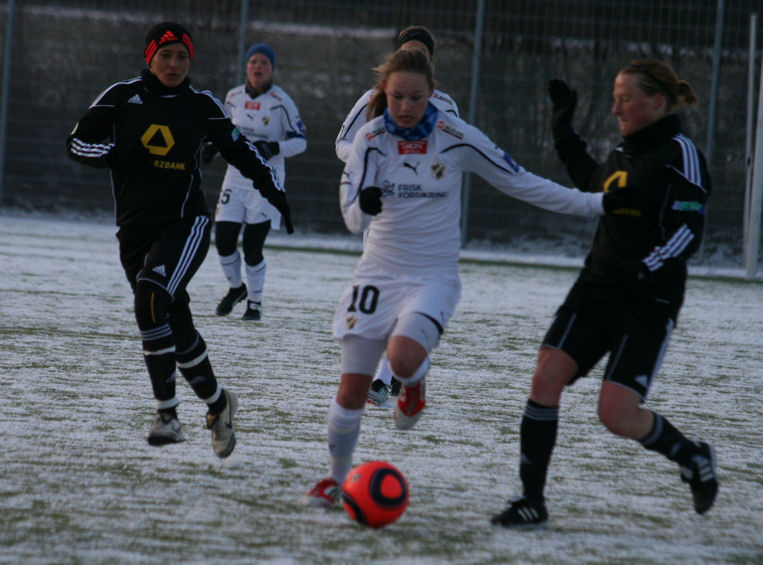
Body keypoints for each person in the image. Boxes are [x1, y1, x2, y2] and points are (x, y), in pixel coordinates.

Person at [301, 48, 630, 507]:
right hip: (376, 274)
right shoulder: (370, 140)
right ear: (384, 94)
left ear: (431, 94)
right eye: (396, 96)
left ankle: (413, 384)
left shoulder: (455, 136)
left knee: (400, 358)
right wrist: (364, 205)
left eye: (416, 97)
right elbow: (352, 218)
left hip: (431, 276)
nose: (405, 106)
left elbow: (522, 181)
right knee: (352, 388)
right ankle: (335, 480)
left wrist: (595, 204)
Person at [491, 59, 717, 528]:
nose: (615, 107)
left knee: (615, 414)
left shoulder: (681, 153)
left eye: (624, 97)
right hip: (595, 289)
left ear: (655, 102)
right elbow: (592, 184)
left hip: (648, 301)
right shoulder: (623, 153)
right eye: (614, 97)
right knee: (545, 378)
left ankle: (692, 456)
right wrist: (562, 129)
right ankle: (532, 501)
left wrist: (646, 269)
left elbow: (688, 233)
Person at [66, 22, 293, 457]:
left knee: (151, 298)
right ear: (150, 57)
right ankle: (219, 404)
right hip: (133, 231)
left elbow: (239, 150)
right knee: (173, 321)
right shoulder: (122, 97)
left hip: (185, 223)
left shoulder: (201, 105)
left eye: (182, 57)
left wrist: (275, 194)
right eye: (166, 55)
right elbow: (76, 143)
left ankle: (167, 415)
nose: (174, 64)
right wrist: (114, 155)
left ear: (190, 62)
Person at [335, 25, 459, 405]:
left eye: (421, 53)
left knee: (408, 299)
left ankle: (384, 379)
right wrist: (368, 163)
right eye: (408, 51)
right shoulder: (373, 99)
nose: (414, 57)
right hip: (382, 212)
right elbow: (343, 143)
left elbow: (459, 153)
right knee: (385, 293)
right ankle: (391, 375)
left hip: (422, 217)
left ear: (430, 61)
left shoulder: (446, 105)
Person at [208, 43, 307, 321]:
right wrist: (213, 147)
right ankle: (236, 288)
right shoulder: (233, 96)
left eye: (264, 62)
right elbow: (225, 131)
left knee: (252, 248)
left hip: (265, 183)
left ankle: (255, 303)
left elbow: (301, 141)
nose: (258, 67)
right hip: (235, 179)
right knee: (224, 242)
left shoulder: (281, 101)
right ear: (246, 67)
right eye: (253, 61)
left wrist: (275, 148)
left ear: (272, 69)